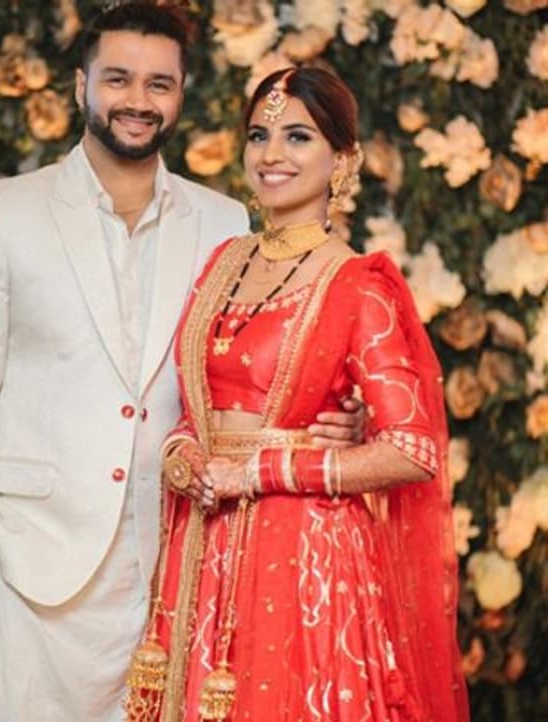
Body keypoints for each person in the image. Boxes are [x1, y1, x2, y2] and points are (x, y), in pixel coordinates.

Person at [0, 5, 362, 722]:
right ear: (81, 86)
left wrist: (331, 423)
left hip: (175, 567)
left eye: (159, 84)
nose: (138, 100)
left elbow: (250, 368)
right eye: (118, 79)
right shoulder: (5, 212)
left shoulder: (223, 221)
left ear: (181, 95)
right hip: (29, 568)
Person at [124, 67, 469, 722]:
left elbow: (412, 449)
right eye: (259, 135)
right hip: (203, 544)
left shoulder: (358, 284)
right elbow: (195, 406)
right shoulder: (223, 262)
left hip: (304, 557)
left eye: (298, 137)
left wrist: (262, 469)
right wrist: (182, 455)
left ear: (343, 159)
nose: (272, 154)